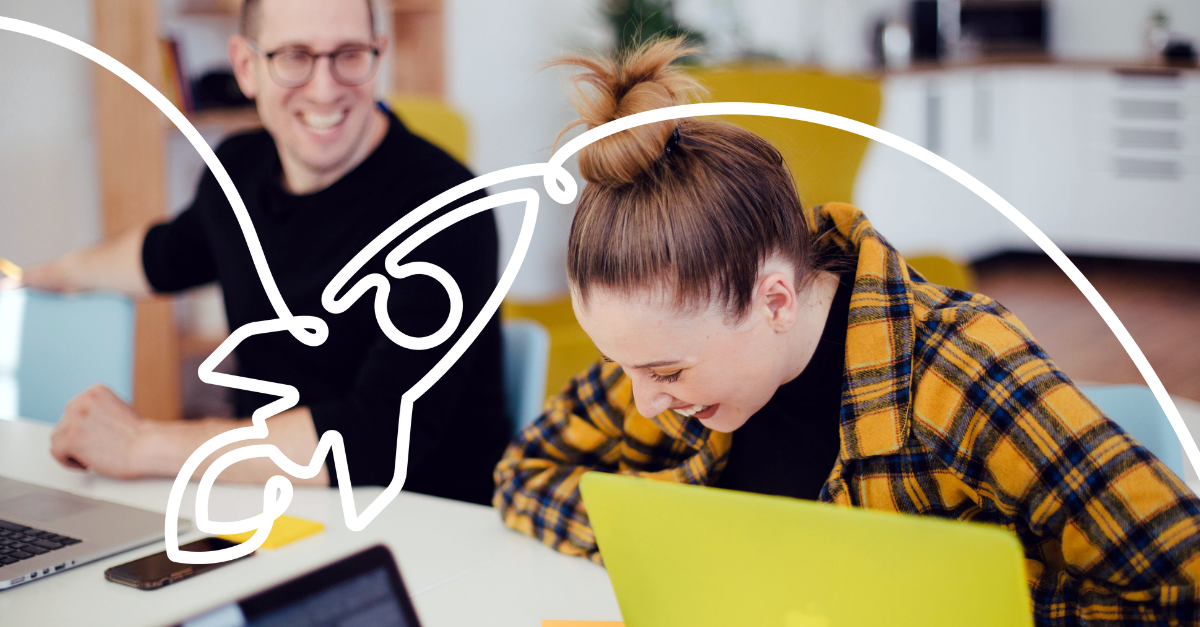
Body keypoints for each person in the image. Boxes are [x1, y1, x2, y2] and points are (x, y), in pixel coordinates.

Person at [494, 38, 1200, 623]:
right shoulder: (667, 357)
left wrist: (935, 600)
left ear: (774, 301)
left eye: (668, 373)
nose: (644, 400)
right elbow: (524, 476)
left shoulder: (959, 369)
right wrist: (689, 546)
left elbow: (1184, 586)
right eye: (626, 367)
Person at [25, 0, 509, 506]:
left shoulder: (447, 207)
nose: (324, 89)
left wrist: (143, 443)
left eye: (348, 54)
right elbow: (164, 255)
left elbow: (378, 438)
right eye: (294, 56)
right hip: (270, 505)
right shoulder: (238, 169)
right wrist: (48, 273)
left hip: (423, 525)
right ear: (246, 67)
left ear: (378, 55)